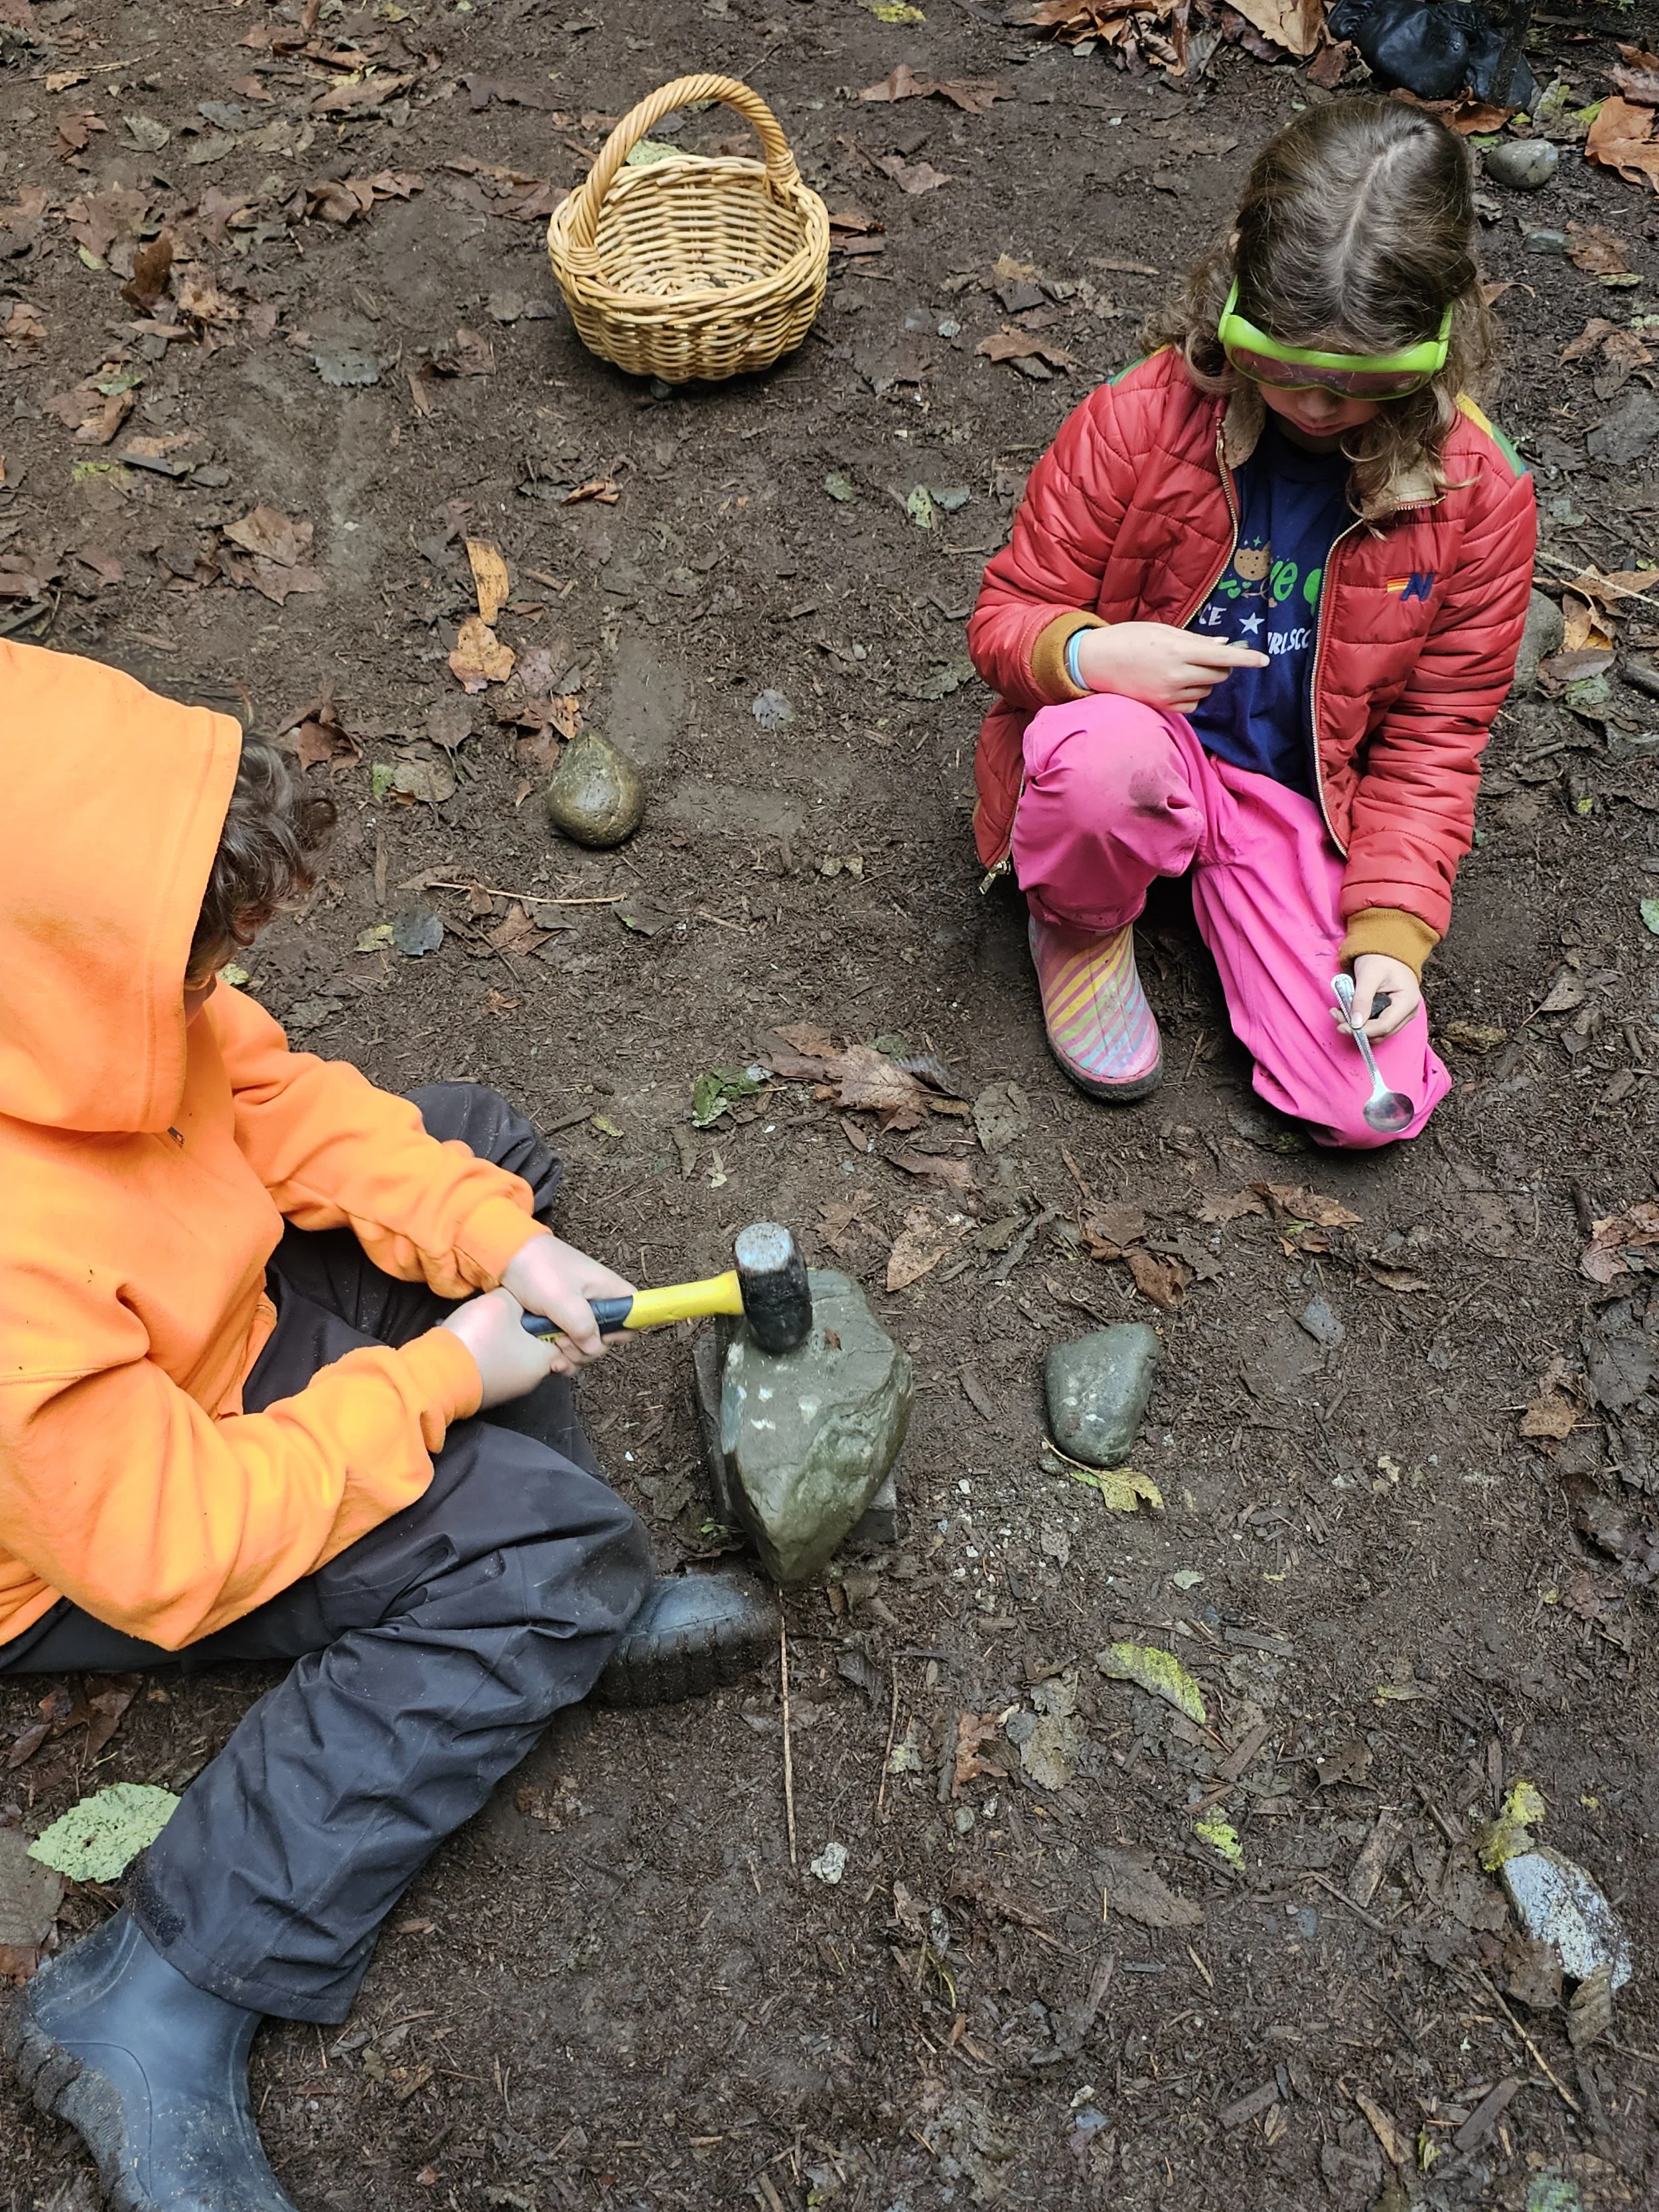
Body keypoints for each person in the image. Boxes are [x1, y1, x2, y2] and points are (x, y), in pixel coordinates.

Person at [0, 642, 772, 2212]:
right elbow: (163, 1540)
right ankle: (151, 1998)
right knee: (532, 1558)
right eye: (194, 970)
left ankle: (526, 1597)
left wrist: (498, 1247)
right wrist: (433, 1382)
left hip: (169, 1314)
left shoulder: (74, 984)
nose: (215, 994)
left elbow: (269, 1100)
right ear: (66, 973)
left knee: (475, 1149)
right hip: (106, 1520)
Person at [968, 98, 1537, 1147]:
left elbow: (1435, 738)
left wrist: (1391, 938)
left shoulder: (1480, 496)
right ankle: (1084, 922)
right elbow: (1007, 619)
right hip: (1139, 748)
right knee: (1103, 755)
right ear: (1234, 289)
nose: (1316, 408)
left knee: (1365, 1106)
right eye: (1281, 364)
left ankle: (1254, 903)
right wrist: (1091, 653)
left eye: (1364, 383)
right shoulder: (1138, 420)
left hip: (1299, 796)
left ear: (1442, 333)